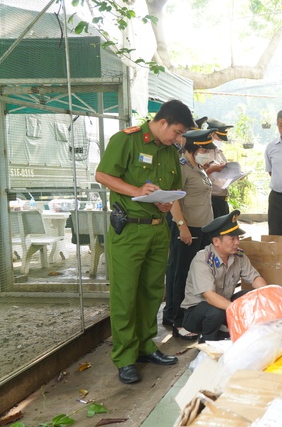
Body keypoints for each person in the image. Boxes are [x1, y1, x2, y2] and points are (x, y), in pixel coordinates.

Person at [95, 99, 195, 384]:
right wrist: (136, 189)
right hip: (129, 231)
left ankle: (145, 346)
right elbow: (102, 174)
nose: (178, 139)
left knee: (152, 292)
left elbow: (172, 189)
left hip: (157, 229)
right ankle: (125, 357)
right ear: (162, 122)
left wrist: (166, 204)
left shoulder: (169, 151)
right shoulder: (127, 140)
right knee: (125, 295)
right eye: (176, 132)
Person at [181, 210, 267, 343]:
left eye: (238, 238)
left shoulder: (238, 256)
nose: (237, 242)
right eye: (232, 238)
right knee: (216, 312)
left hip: (223, 305)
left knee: (252, 296)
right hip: (197, 313)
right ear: (216, 241)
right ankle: (207, 340)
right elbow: (209, 297)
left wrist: (270, 295)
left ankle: (226, 330)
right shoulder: (202, 260)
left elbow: (255, 278)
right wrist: (236, 309)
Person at [163, 128, 217, 341]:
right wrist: (182, 226)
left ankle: (182, 314)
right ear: (193, 148)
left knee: (194, 274)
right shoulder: (182, 167)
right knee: (181, 273)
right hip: (188, 229)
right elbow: (174, 199)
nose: (207, 153)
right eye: (204, 149)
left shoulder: (198, 167)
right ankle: (177, 319)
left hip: (202, 228)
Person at [203, 118, 234, 218]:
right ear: (211, 134)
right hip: (212, 199)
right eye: (219, 138)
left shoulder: (219, 151)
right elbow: (198, 175)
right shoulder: (203, 152)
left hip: (222, 199)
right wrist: (212, 169)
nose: (220, 141)